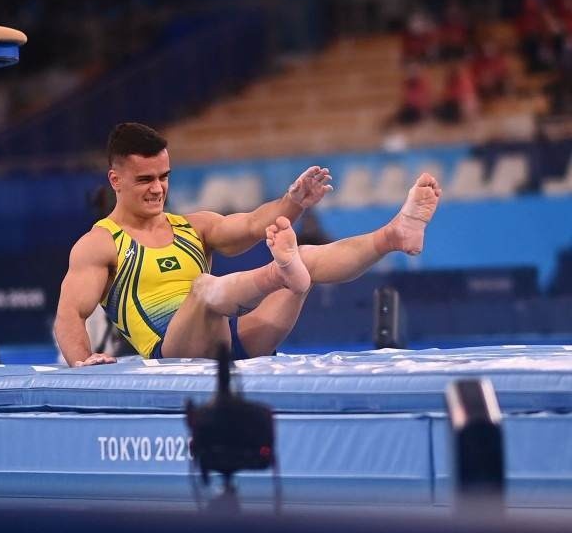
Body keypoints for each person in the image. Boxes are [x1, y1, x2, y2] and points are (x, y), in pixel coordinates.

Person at [54, 123, 441, 367]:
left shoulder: (194, 226)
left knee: (306, 258)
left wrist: (295, 201)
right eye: (145, 180)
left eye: (164, 176)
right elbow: (69, 314)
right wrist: (81, 360)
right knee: (204, 288)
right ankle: (281, 273)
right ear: (115, 180)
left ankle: (393, 235)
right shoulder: (100, 244)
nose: (158, 188)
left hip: (238, 340)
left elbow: (257, 223)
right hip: (175, 353)